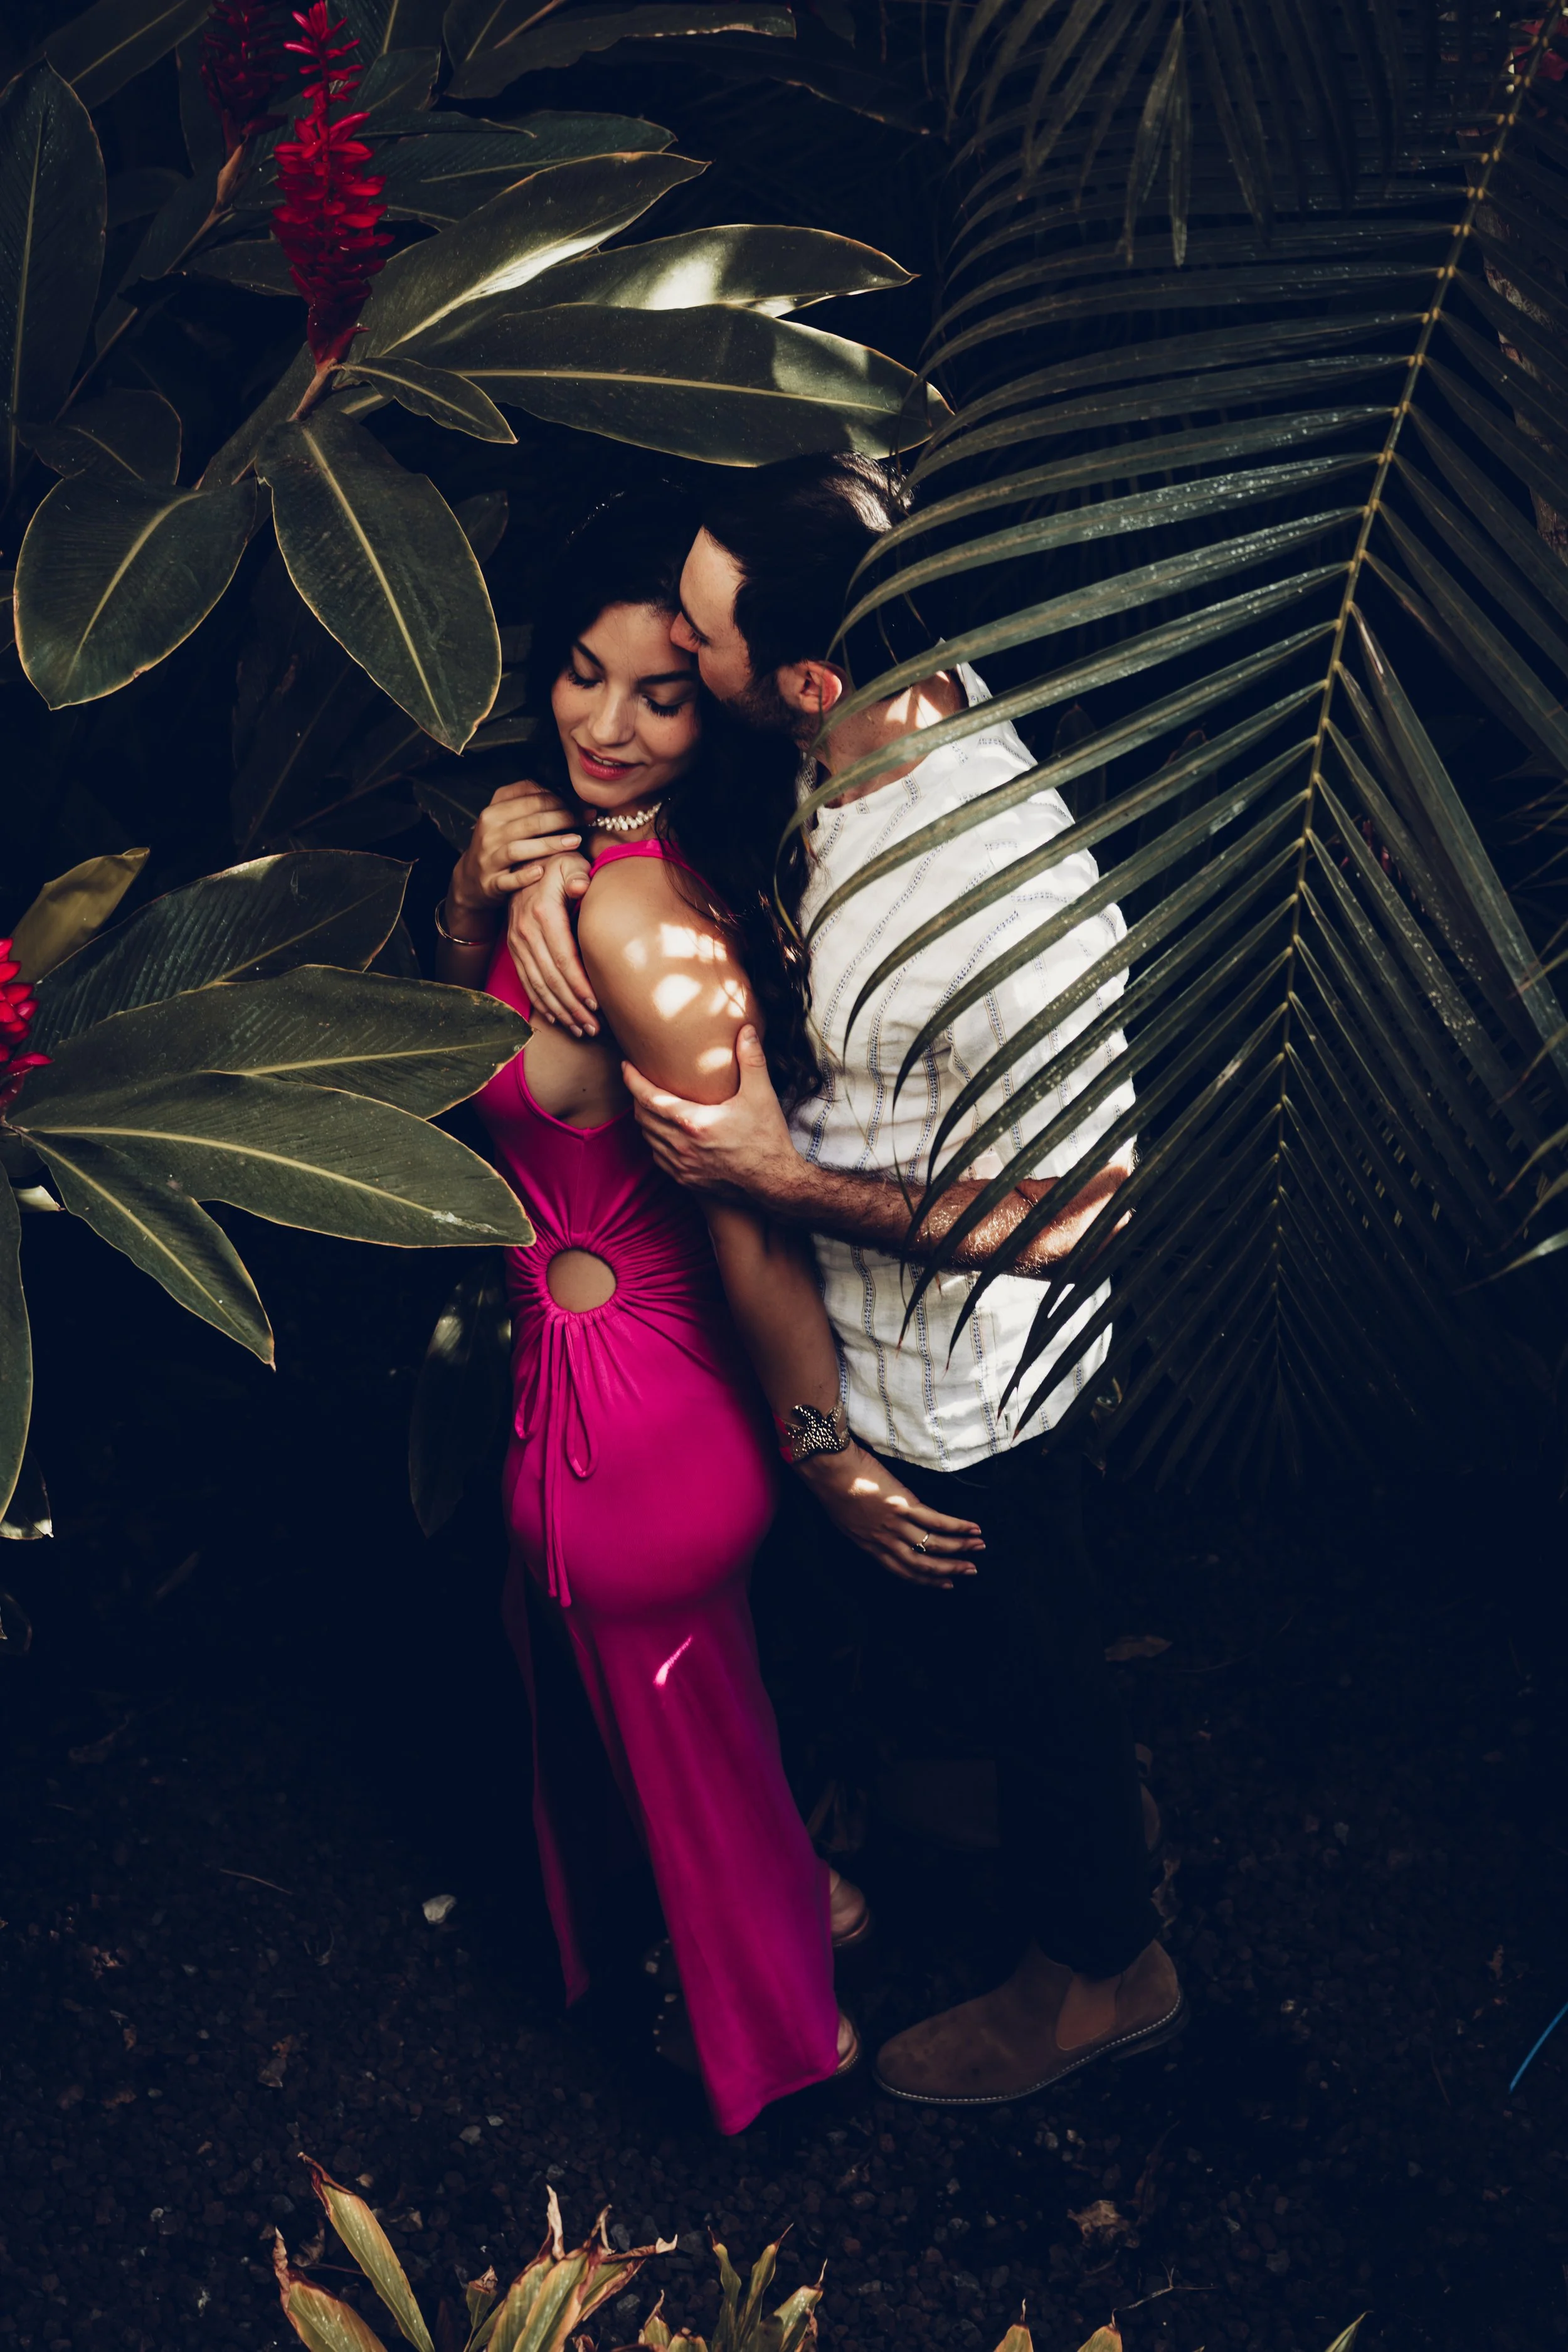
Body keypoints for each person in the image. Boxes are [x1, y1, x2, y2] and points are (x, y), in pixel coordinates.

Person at [502, 454, 1185, 2108]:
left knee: (1039, 1654)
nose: (672, 651)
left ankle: (1099, 1965)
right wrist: (527, 864)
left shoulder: (1004, 900)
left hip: (980, 1374)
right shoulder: (841, 694)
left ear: (803, 677)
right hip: (865, 1343)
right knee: (940, 1649)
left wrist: (770, 1177)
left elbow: (1078, 1213)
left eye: (695, 650)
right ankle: (979, 1798)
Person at [432, 489, 982, 2137]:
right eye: (582, 677)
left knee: (693, 1772)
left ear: (719, 707)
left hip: (639, 1437)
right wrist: (481, 899)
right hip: (616, 1398)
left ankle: (782, 2059)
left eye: (659, 691)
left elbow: (753, 1244)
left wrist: (828, 1457)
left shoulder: (632, 922)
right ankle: (798, 1934)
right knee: (701, 1745)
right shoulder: (633, 878)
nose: (604, 722)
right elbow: (456, 1074)